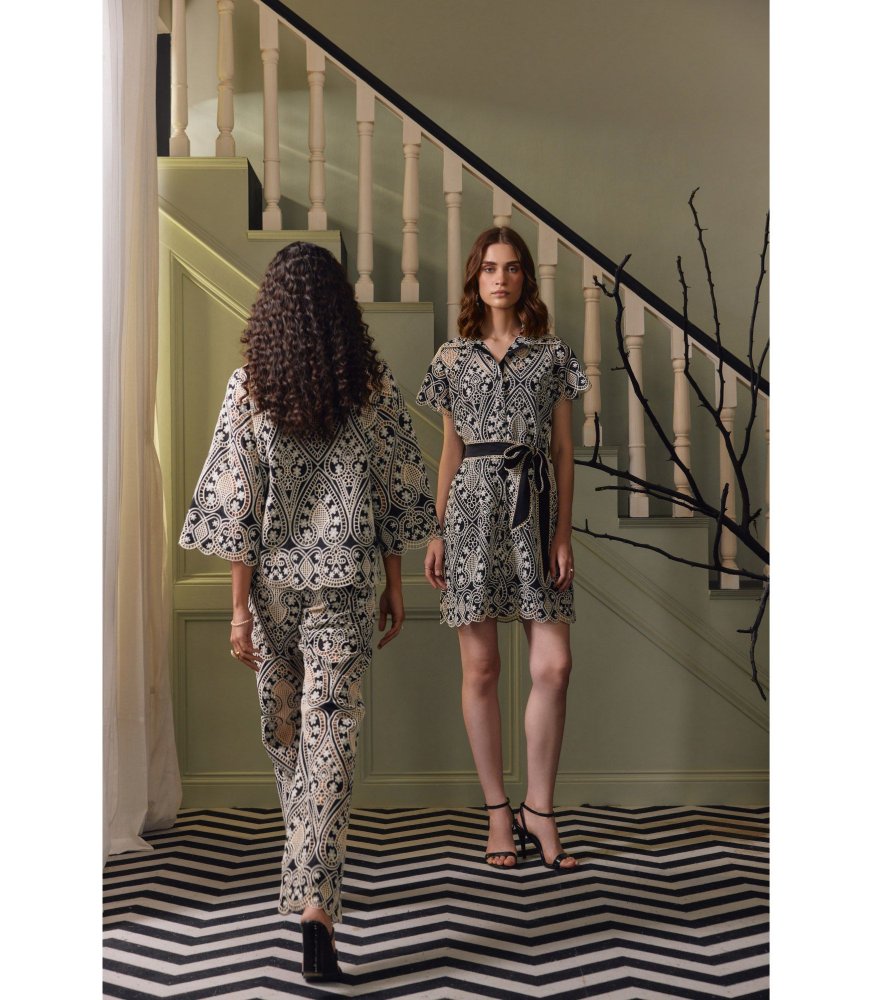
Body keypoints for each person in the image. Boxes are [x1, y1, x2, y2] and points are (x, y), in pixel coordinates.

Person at [180, 242, 436, 981]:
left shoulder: (249, 388)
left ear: (273, 310)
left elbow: (238, 504)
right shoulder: (369, 387)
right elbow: (395, 491)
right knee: (330, 737)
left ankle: (311, 891)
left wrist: (237, 610)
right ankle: (316, 896)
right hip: (345, 585)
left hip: (273, 592)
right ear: (341, 309)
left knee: (288, 733)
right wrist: (394, 581)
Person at [417, 227, 590, 873]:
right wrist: (437, 530)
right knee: (482, 669)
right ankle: (497, 811)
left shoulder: (553, 356)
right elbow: (450, 450)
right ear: (476, 277)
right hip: (470, 514)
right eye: (490, 268)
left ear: (525, 279)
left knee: (553, 666)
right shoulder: (450, 358)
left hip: (535, 509)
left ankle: (539, 809)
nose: (500, 278)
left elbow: (564, 450)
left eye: (512, 268)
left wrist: (562, 533)